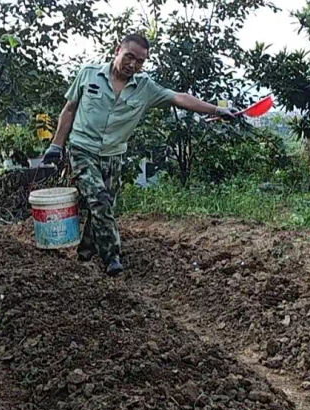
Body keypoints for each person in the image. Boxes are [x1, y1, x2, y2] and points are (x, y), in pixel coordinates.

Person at [42, 34, 238, 277]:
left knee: (102, 207)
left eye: (140, 61)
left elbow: (179, 98)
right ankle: (112, 256)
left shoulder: (145, 87)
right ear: (117, 51)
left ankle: (84, 253)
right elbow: (69, 109)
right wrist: (56, 146)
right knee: (100, 200)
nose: (133, 65)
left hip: (113, 155)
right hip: (83, 150)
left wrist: (217, 109)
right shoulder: (89, 74)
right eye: (129, 57)